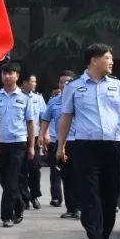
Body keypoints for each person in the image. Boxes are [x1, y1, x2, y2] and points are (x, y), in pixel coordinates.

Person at [57, 44, 120, 239]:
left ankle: (104, 235)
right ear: (94, 60)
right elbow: (66, 117)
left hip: (111, 144)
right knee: (89, 193)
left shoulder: (117, 86)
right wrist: (61, 145)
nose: (112, 62)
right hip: (85, 145)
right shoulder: (74, 87)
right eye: (108, 58)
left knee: (110, 194)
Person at [0, 63, 38, 228]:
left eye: (10, 73)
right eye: (4, 74)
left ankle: (7, 215)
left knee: (12, 180)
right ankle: (19, 204)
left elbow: (30, 124)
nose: (7, 77)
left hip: (18, 143)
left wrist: (31, 146)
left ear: (17, 76)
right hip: (0, 144)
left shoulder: (24, 98)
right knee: (5, 180)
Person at [40, 71, 77, 216]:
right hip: (60, 142)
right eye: (61, 82)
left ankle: (81, 206)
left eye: (67, 82)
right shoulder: (54, 101)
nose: (64, 85)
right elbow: (46, 118)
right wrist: (42, 134)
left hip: (78, 142)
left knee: (79, 175)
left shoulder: (80, 98)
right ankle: (71, 208)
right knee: (66, 176)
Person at [20, 74, 47, 211]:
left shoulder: (37, 98)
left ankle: (34, 194)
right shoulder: (17, 96)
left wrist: (44, 134)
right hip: (19, 138)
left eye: (35, 81)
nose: (35, 84)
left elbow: (44, 117)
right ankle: (24, 198)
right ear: (24, 83)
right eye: (32, 81)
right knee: (21, 170)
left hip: (35, 137)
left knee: (35, 168)